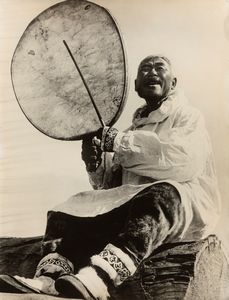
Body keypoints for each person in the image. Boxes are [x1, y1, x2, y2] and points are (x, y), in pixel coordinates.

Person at [0, 55, 221, 300]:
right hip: (138, 209)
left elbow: (182, 161)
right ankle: (49, 278)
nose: (152, 72)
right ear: (136, 85)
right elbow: (110, 188)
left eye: (160, 67)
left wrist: (118, 142)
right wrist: (95, 163)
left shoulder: (188, 116)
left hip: (183, 206)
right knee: (73, 207)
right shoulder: (132, 130)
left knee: (160, 195)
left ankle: (100, 278)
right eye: (145, 68)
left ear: (174, 82)